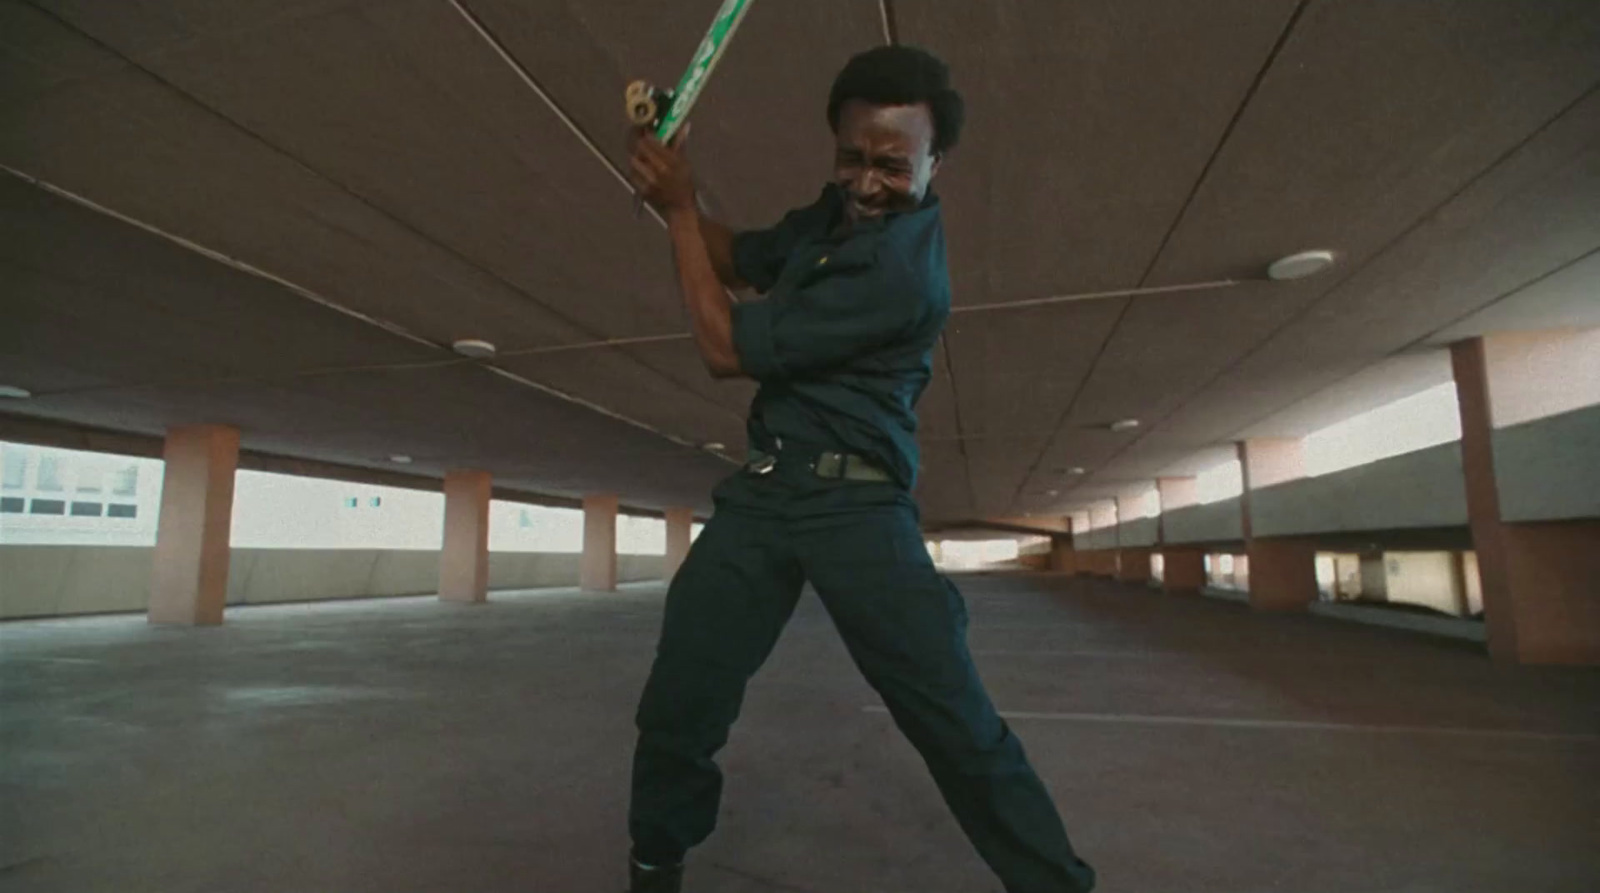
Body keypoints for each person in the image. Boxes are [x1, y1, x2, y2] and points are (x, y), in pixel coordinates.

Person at [622, 45, 1096, 893]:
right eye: (852, 158)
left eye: (892, 165)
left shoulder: (906, 275)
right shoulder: (833, 219)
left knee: (954, 722)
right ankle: (655, 864)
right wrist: (678, 194)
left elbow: (723, 346)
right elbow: (735, 258)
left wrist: (679, 209)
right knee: (678, 706)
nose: (868, 182)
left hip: (859, 511)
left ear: (933, 162)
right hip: (765, 495)